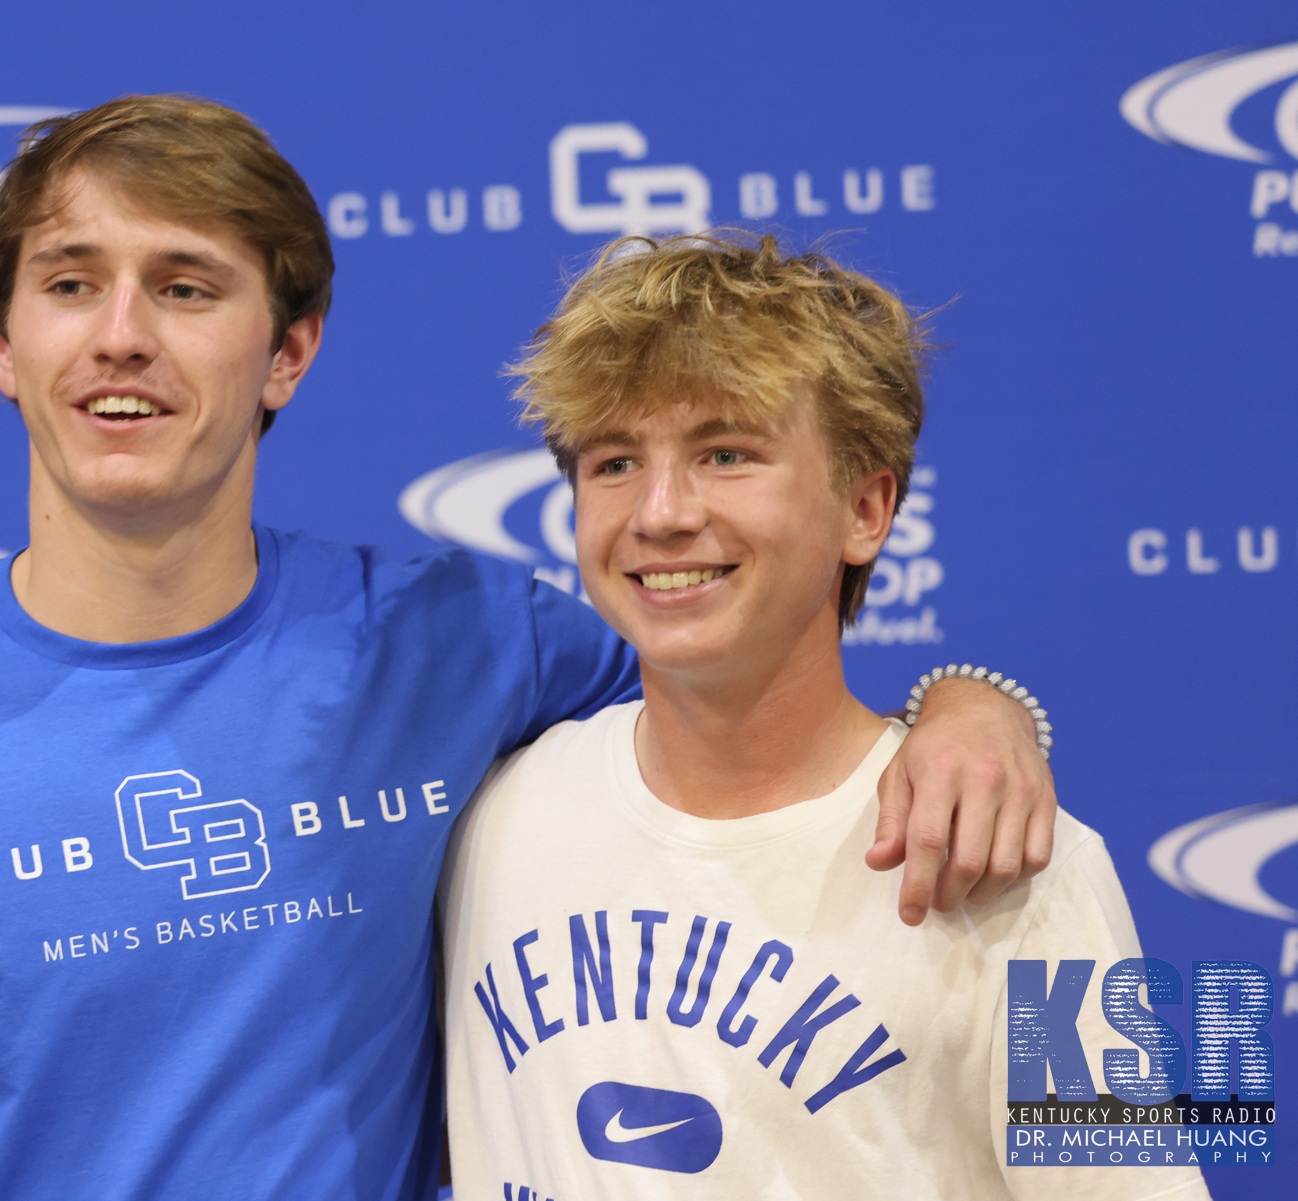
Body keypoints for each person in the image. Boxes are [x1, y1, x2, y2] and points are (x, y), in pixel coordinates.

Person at [0, 97, 1055, 1201]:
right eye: (71, 284)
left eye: (186, 288)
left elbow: (753, 689)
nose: (122, 337)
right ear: (1, 338)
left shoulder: (472, 649)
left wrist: (976, 704)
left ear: (289, 351)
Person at [438, 234, 1208, 1199]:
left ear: (867, 508)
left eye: (727, 453)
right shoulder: (487, 814)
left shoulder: (1019, 873)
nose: (662, 511)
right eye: (615, 462)